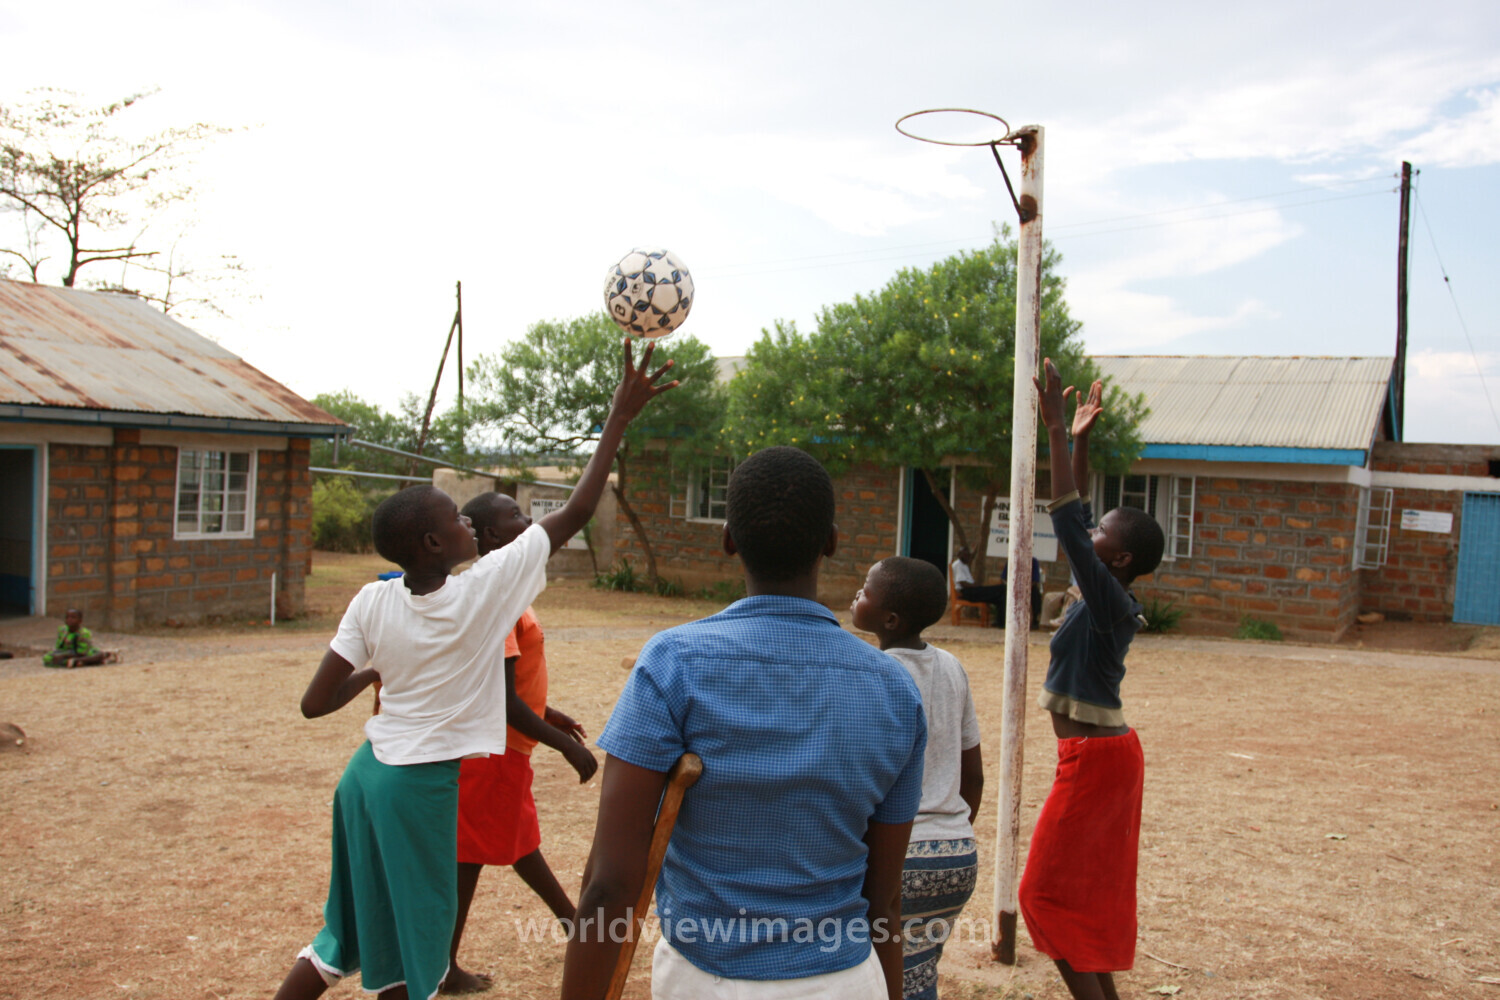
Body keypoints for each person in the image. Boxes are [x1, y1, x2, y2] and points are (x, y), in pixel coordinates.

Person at [272, 340, 675, 1000]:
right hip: (414, 791)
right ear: (436, 543)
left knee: (338, 941)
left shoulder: (373, 597)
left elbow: (315, 705)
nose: (468, 521)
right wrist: (618, 419)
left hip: (363, 780)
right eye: (456, 518)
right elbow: (573, 512)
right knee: (419, 959)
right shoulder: (481, 595)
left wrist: (374, 675)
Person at [561, 445, 928, 1000]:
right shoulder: (894, 689)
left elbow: (611, 882)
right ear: (830, 541)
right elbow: (885, 899)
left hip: (704, 981)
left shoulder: (673, 664)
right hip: (844, 980)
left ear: (728, 538)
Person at [1018, 362, 1164, 1000]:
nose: (1089, 536)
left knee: (1045, 896)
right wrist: (1079, 439)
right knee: (1071, 900)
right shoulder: (1104, 592)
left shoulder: (1108, 600)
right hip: (1099, 755)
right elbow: (1080, 524)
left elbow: (1070, 522)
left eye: (1101, 534)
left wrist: (1052, 427)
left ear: (1120, 559)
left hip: (1097, 760)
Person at [441, 491, 599, 994]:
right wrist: (564, 744)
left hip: (501, 746)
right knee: (496, 850)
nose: (527, 519)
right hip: (496, 748)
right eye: (514, 516)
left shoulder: (506, 591)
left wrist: (549, 713)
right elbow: (502, 700)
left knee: (497, 848)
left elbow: (506, 687)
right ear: (489, 537)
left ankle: (575, 928)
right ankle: (578, 929)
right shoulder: (496, 598)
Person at [850, 556, 983, 1000]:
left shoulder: (874, 674)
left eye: (865, 591)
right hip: (957, 857)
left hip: (901, 858)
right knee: (918, 972)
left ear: (889, 619)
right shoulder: (951, 667)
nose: (856, 594)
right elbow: (974, 777)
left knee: (883, 977)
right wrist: (952, 834)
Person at [42, 609, 109, 667]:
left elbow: (82, 652)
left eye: (73, 618)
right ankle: (77, 662)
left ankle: (78, 661)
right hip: (67, 652)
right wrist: (60, 654)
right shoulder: (63, 630)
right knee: (47, 657)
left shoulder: (83, 633)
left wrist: (64, 656)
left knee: (98, 654)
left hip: (82, 653)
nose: (69, 620)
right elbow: (59, 647)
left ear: (80, 621)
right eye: (67, 617)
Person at [999, 556, 1044, 630]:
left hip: (1029, 587)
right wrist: (1011, 586)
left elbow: (1035, 580)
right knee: (1003, 593)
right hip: (1012, 587)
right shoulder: (1011, 559)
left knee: (1035, 595)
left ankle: (1034, 621)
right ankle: (1003, 621)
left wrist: (1025, 588)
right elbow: (1003, 578)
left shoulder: (1033, 561)